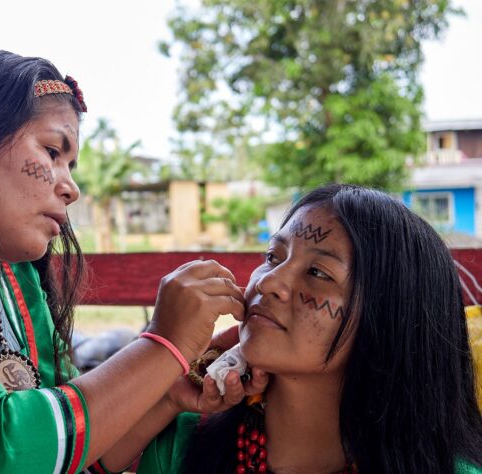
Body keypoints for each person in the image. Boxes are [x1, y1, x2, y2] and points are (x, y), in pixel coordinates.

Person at [0, 49, 246, 473]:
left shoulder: (9, 275)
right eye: (53, 151)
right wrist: (163, 345)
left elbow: (77, 448)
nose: (71, 187)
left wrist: (167, 389)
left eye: (71, 165)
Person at [108, 185, 482, 473]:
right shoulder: (181, 445)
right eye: (273, 256)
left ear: (390, 321)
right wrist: (170, 390)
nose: (270, 282)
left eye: (318, 273)